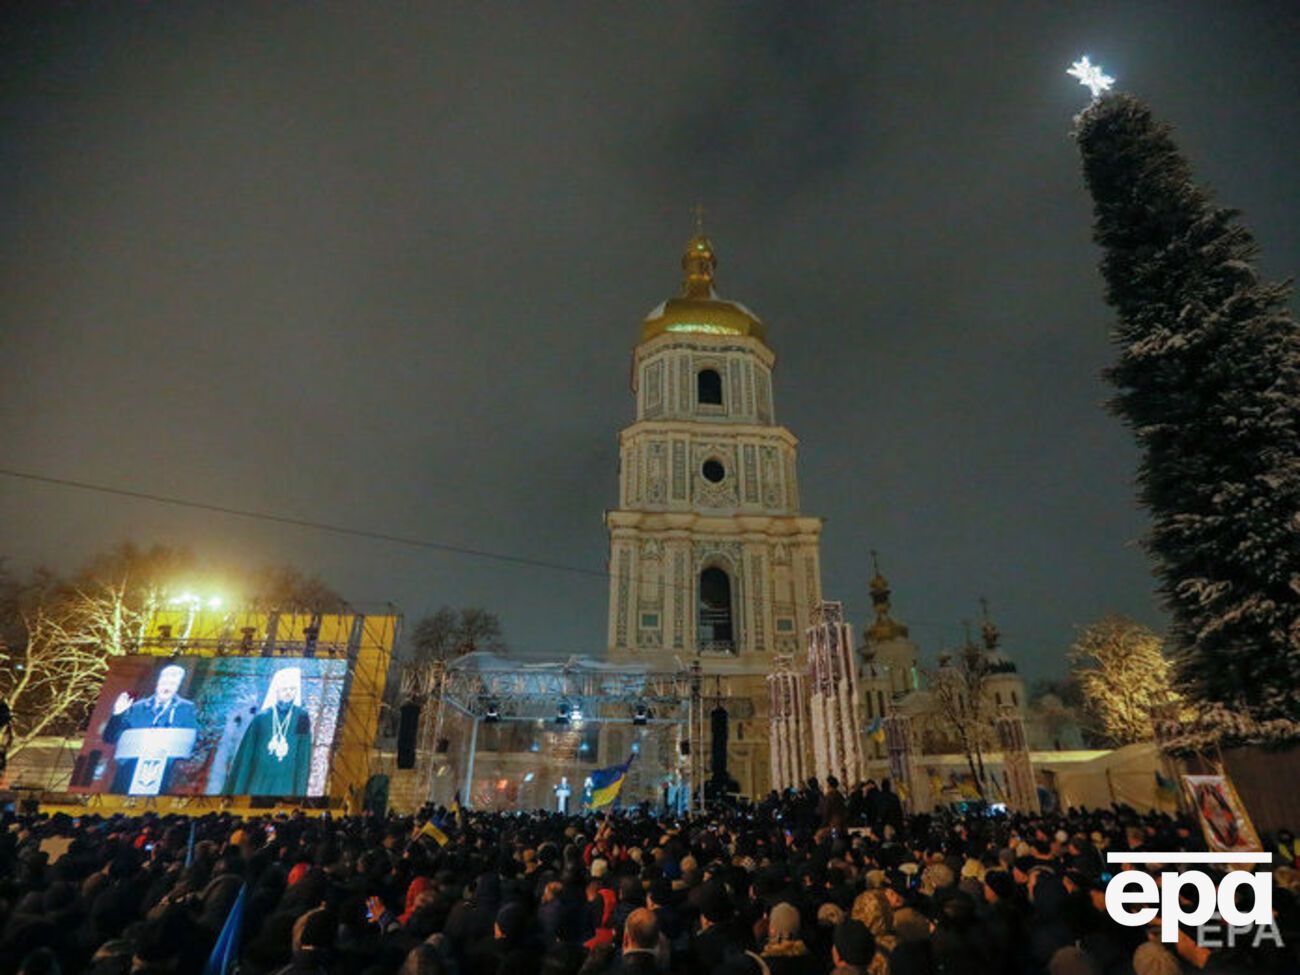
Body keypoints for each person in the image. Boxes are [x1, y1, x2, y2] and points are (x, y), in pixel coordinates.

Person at [102, 664, 198, 794]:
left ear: (178, 686)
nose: (167, 687)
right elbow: (109, 738)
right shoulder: (136, 708)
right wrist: (117, 715)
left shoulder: (187, 709)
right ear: (157, 682)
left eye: (173, 683)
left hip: (164, 777)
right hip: (127, 775)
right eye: (165, 682)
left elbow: (193, 741)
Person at [224, 667, 314, 796]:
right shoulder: (261, 717)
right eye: (285, 689)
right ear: (276, 690)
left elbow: (303, 756)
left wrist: (299, 791)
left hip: (285, 782)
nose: (288, 693)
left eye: (292, 689)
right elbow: (247, 754)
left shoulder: (302, 717)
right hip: (259, 779)